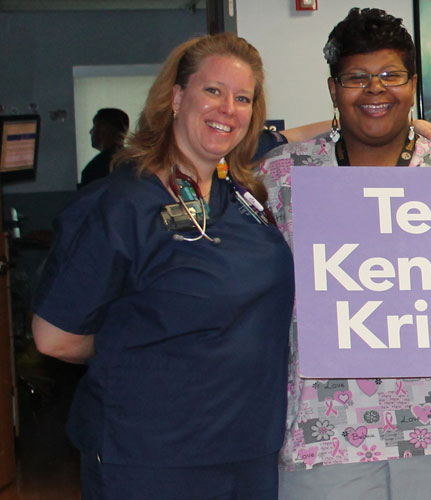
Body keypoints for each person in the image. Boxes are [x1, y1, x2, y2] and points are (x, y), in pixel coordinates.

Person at [256, 9, 431, 499]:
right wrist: (291, 133)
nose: (375, 89)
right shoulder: (282, 176)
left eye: (390, 76)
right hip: (326, 430)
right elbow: (215, 158)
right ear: (334, 89)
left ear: (413, 84)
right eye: (357, 77)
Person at [32, 33, 288, 499]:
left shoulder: (241, 197)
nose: (227, 108)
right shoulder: (122, 203)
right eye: (212, 91)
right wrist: (142, 342)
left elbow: (285, 138)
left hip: (249, 448)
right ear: (175, 97)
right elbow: (53, 338)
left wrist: (410, 129)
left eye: (243, 98)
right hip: (153, 455)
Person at [78, 107, 129, 188]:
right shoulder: (134, 163)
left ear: (103, 129)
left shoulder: (96, 169)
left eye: (94, 127)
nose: (90, 132)